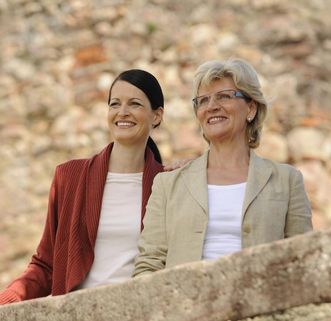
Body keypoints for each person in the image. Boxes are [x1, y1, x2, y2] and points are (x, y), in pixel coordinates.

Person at [133, 58, 313, 277]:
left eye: (224, 96)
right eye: (203, 100)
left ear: (251, 108)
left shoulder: (287, 180)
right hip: (184, 306)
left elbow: (302, 259)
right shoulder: (167, 184)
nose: (211, 107)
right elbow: (149, 264)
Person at [0, 69, 165, 304]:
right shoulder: (69, 177)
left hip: (139, 311)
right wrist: (6, 299)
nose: (122, 112)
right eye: (114, 104)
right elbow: (46, 265)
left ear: (156, 116)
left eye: (135, 103)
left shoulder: (167, 184)